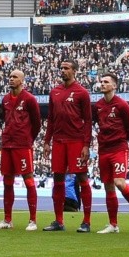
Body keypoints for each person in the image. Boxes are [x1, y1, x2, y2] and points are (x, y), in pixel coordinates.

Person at [42, 59, 92, 232]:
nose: (63, 71)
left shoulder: (82, 93)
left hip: (76, 141)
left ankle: (86, 221)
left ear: (75, 71)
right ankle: (59, 221)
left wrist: (86, 144)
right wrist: (47, 141)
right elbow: (50, 119)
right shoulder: (54, 92)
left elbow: (88, 121)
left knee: (82, 178)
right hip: (58, 141)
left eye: (66, 68)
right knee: (57, 178)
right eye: (61, 68)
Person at [92, 72, 129, 233]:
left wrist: (119, 139)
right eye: (101, 81)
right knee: (108, 186)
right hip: (103, 150)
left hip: (118, 149)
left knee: (119, 183)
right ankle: (113, 224)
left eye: (106, 82)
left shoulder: (122, 105)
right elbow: (96, 123)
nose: (102, 84)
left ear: (114, 86)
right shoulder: (98, 106)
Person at [0, 69, 41, 231]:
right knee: (7, 181)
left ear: (22, 81)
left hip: (22, 144)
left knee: (28, 180)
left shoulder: (30, 99)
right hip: (7, 144)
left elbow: (37, 124)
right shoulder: (5, 99)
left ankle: (33, 220)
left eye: (15, 77)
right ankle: (7, 219)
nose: (11, 79)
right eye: (10, 77)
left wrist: (28, 139)